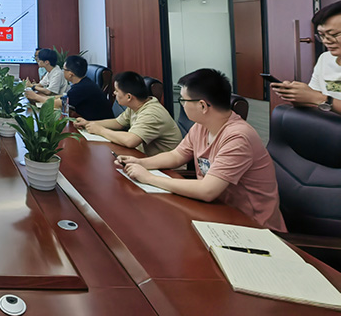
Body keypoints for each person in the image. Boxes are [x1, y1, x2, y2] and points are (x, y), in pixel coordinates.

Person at [117, 69, 286, 231]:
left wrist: (149, 178)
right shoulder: (201, 126)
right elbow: (177, 155)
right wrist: (140, 162)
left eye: (183, 100)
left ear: (202, 106)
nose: (182, 105)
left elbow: (207, 190)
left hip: (254, 226)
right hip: (217, 211)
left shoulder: (238, 137)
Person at [75, 71, 181, 155]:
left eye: (117, 91)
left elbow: (130, 140)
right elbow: (118, 122)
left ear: (129, 97)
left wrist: (100, 130)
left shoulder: (151, 113)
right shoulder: (137, 105)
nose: (114, 93)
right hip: (145, 158)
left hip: (167, 169)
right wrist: (89, 123)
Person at [272, 0, 341, 115]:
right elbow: (313, 102)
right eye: (322, 35)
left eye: (334, 35)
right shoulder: (325, 59)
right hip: (327, 123)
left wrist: (321, 99)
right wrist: (296, 95)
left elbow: (317, 98)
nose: (326, 41)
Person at [27, 55, 113, 120]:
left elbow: (57, 103)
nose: (62, 71)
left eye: (64, 69)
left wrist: (35, 97)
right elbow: (64, 97)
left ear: (70, 74)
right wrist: (44, 97)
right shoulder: (83, 82)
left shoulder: (81, 88)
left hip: (100, 126)